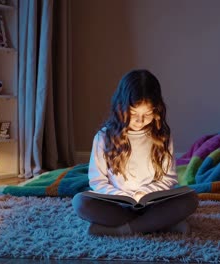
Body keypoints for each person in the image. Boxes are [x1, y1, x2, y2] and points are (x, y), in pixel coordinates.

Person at [72, 69, 198, 236]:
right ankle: (160, 224)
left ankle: (124, 229)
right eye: (133, 114)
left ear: (157, 110)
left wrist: (145, 194)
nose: (140, 120)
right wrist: (121, 196)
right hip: (118, 205)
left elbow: (169, 178)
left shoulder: (162, 137)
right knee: (81, 202)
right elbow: (97, 180)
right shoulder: (104, 137)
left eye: (147, 114)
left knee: (190, 199)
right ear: (120, 108)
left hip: (154, 203)